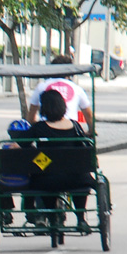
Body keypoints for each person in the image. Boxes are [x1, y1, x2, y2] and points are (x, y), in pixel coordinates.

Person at [22, 90, 95, 229]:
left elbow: (21, 144)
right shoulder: (75, 126)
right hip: (76, 178)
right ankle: (81, 218)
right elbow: (83, 148)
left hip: (47, 179)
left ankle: (52, 217)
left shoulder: (39, 128)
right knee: (79, 179)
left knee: (42, 178)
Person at [28, 55, 94, 135]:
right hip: (71, 130)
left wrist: (34, 128)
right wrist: (91, 131)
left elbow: (32, 113)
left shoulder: (41, 86)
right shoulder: (77, 89)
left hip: (46, 130)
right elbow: (88, 114)